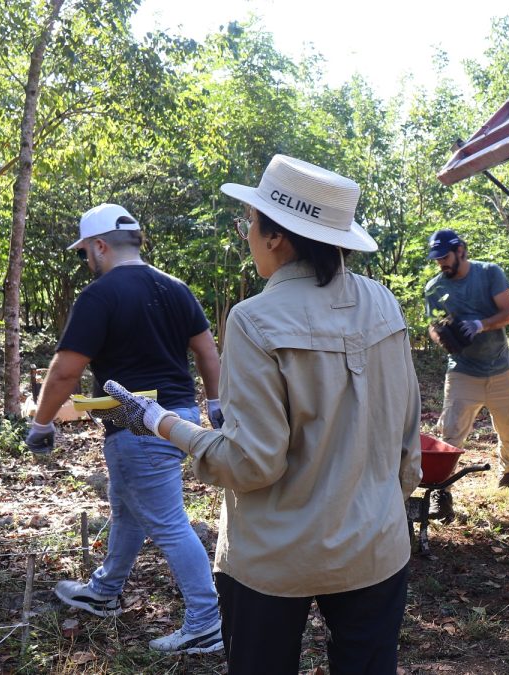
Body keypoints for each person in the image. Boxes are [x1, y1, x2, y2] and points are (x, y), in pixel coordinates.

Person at [104, 154, 423, 674]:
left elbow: (252, 462)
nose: (247, 234)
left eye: (248, 222)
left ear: (275, 237)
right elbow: (408, 430)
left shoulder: (255, 320)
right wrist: (385, 503)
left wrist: (160, 421)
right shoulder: (383, 303)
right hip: (376, 546)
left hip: (275, 557)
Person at [24, 203, 223, 654]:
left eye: (84, 253)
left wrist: (41, 423)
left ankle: (206, 621)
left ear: (100, 247)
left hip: (137, 426)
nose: (86, 262)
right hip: (179, 417)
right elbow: (207, 352)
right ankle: (105, 590)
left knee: (169, 524)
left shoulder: (100, 295)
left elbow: (65, 371)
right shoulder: (175, 287)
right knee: (128, 508)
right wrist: (214, 404)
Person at [424, 229, 509, 519]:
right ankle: (441, 491)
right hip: (463, 371)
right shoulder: (434, 288)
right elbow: (433, 325)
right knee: (450, 432)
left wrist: (480, 325)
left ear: (460, 250)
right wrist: (442, 337)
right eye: (437, 259)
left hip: (499, 367)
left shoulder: (489, 273)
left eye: (445, 257)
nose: (441, 263)